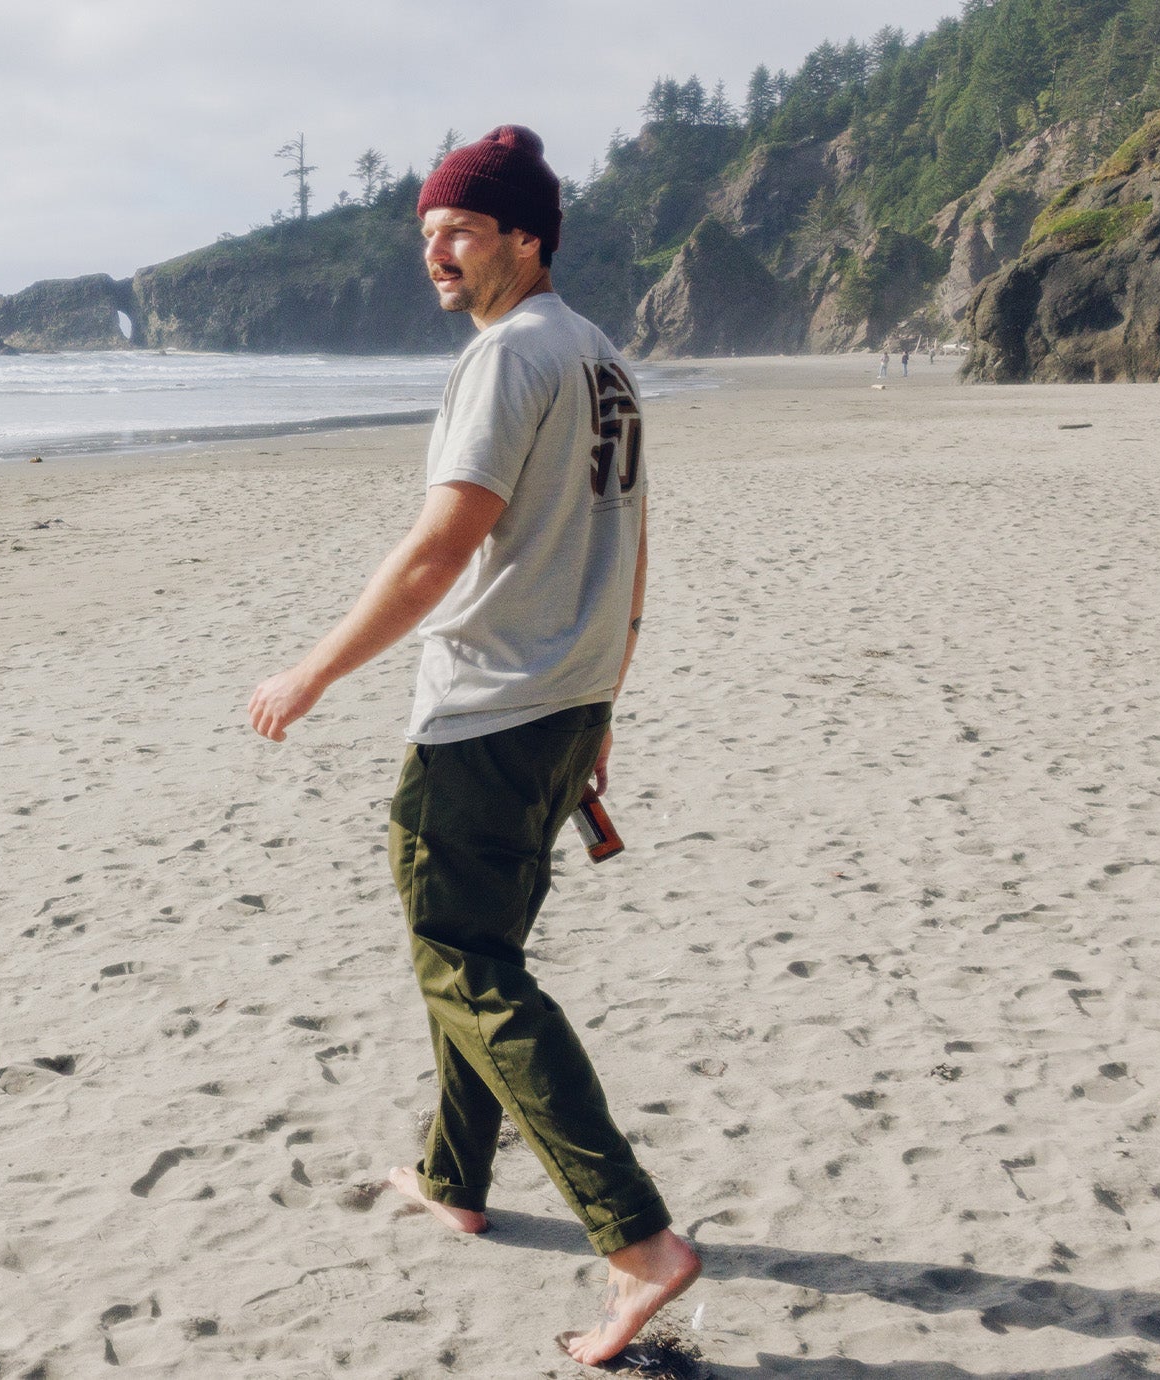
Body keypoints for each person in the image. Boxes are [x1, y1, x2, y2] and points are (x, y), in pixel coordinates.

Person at [245, 124, 697, 1368]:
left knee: (463, 965)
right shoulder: (598, 355)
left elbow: (440, 548)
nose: (436, 253)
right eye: (427, 232)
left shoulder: (509, 356)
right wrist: (602, 702)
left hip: (490, 712)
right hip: (563, 701)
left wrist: (311, 671)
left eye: (461, 231)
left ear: (525, 239)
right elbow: (628, 539)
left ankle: (636, 1242)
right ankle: (454, 1178)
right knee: (474, 950)